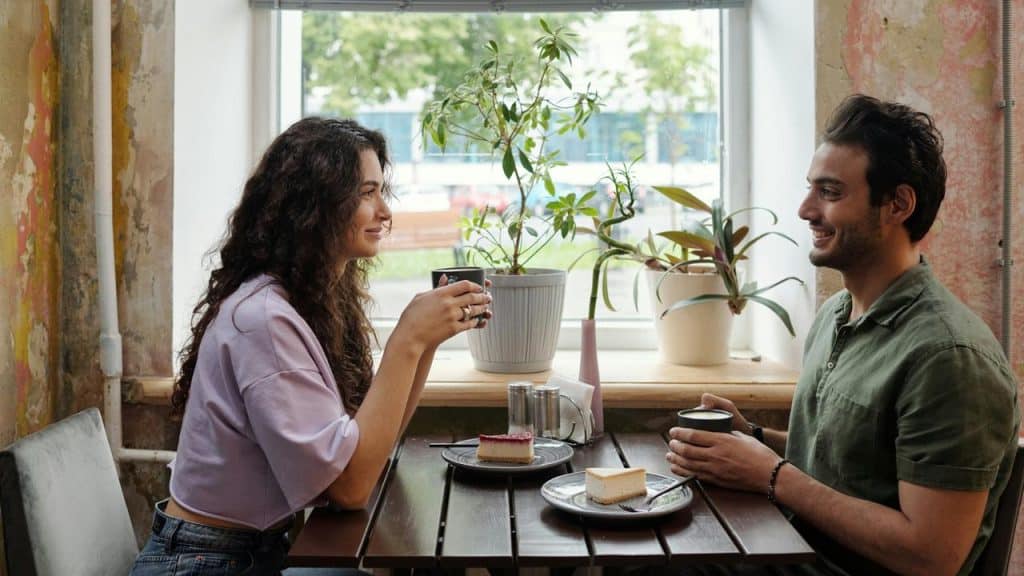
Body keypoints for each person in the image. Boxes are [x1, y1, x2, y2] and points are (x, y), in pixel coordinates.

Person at [667, 95, 1019, 576]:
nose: (805, 209)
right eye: (811, 189)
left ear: (898, 204)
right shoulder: (837, 314)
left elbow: (932, 555)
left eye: (830, 193)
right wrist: (752, 438)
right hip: (796, 552)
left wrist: (771, 476)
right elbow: (851, 463)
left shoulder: (949, 358)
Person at [130, 117, 491, 575]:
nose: (385, 211)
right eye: (366, 193)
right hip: (206, 563)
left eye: (382, 191)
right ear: (316, 204)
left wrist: (426, 341)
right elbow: (351, 486)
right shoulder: (263, 321)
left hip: (251, 552)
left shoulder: (306, 300)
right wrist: (408, 338)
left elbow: (365, 452)